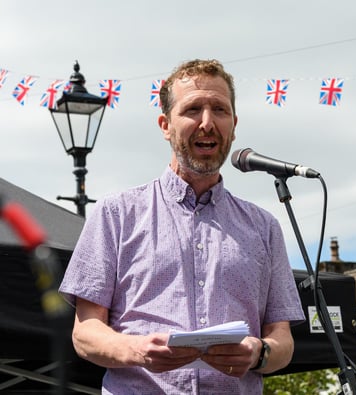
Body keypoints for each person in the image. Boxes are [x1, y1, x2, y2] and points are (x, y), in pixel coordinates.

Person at [59, 59, 305, 394]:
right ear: (165, 125)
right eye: (192, 110)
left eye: (220, 109)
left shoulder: (265, 227)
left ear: (234, 126)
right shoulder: (116, 214)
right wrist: (138, 350)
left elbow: (283, 340)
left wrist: (258, 352)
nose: (207, 122)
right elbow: (85, 333)